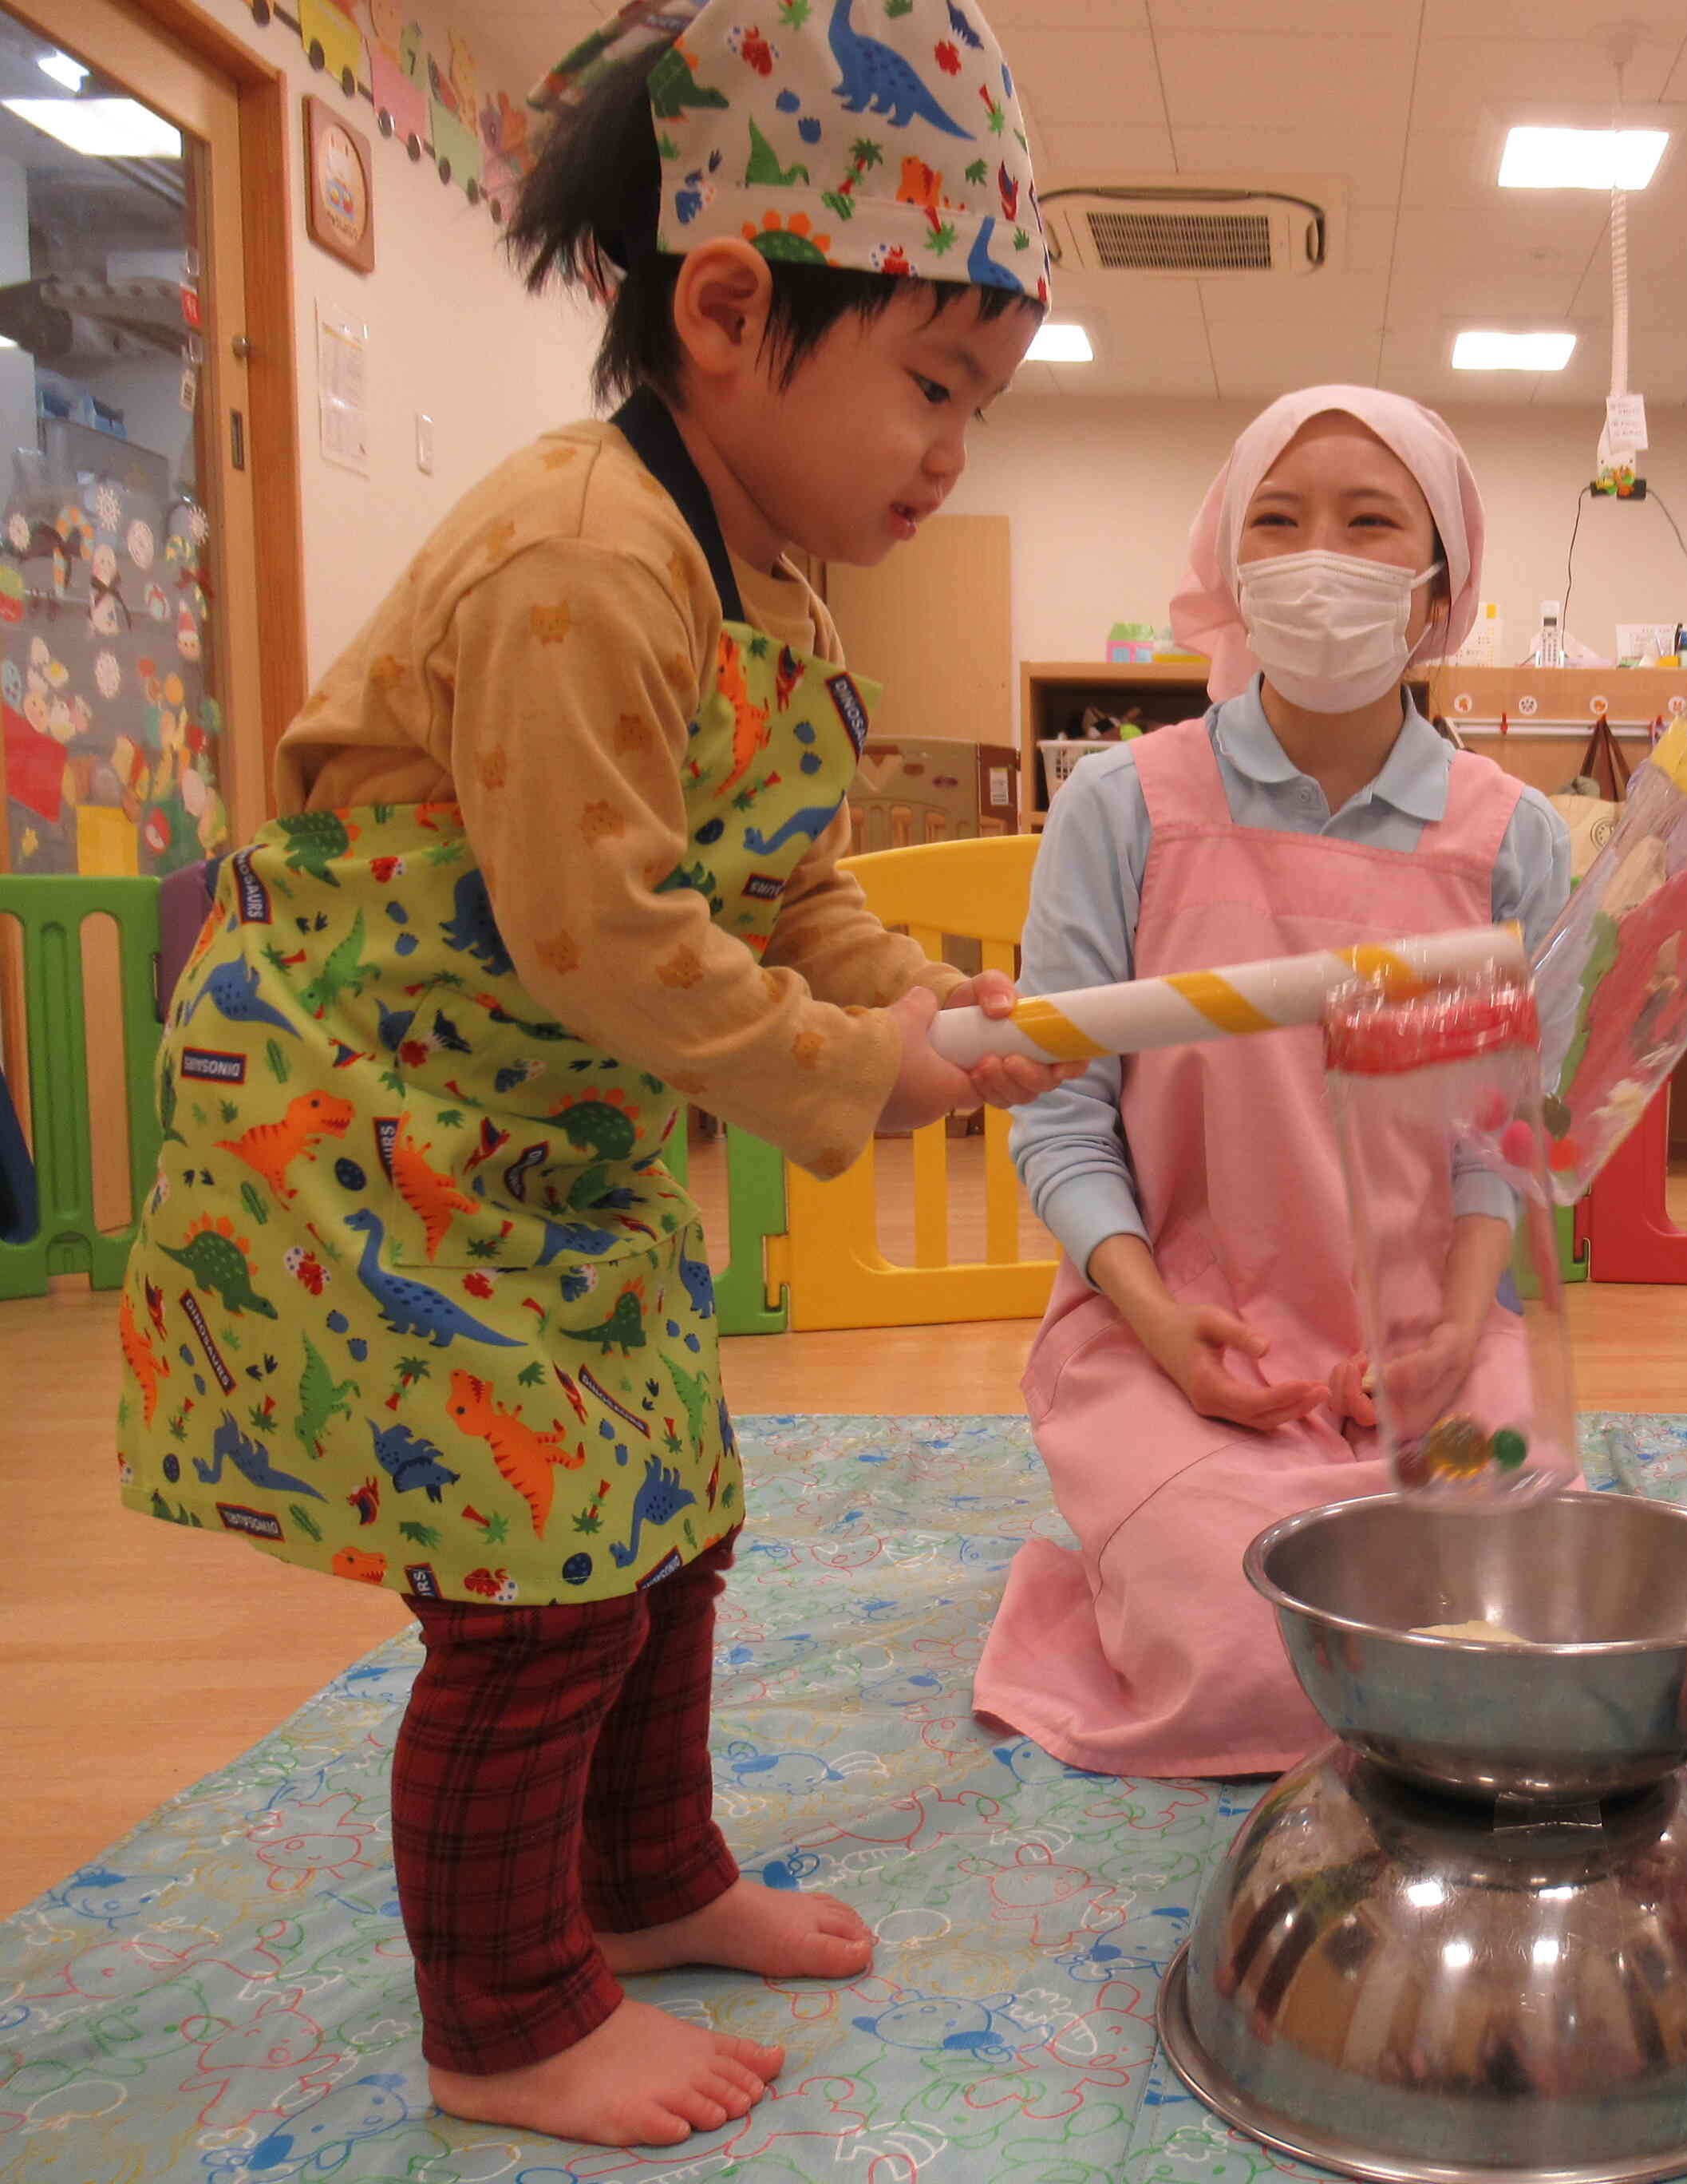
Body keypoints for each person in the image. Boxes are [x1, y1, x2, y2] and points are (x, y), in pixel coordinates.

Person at [112, 0, 1077, 2147]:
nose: (949, 455)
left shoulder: (775, 597)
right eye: (931, 389)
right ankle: (507, 2012)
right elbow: (609, 937)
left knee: (669, 1527)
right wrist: (856, 1072)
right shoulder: (582, 559)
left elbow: (779, 883)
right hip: (377, 1147)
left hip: (557, 1153)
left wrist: (921, 997)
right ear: (730, 311)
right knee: (535, 1596)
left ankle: (646, 1885)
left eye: (976, 411)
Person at [970, 388, 1574, 1777]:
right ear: (1232, 567)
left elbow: (1499, 1139)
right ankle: (1127, 1569)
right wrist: (1166, 1325)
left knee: (1510, 1629)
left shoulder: (1511, 836)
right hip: (1173, 1351)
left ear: (1437, 590)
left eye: (1372, 524)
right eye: (1281, 521)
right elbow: (1060, 1114)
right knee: (1257, 1649)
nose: (1322, 555)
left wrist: (1449, 1331)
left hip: (1433, 1346)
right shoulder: (1122, 804)